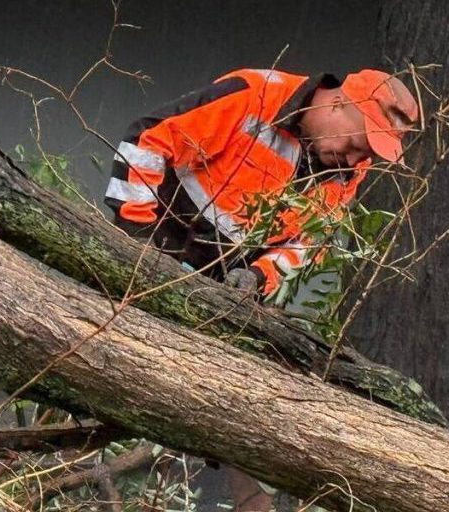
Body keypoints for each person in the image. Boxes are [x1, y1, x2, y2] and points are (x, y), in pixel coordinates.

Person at [105, 68, 418, 510]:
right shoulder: (254, 97)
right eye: (355, 144)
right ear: (336, 104)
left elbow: (308, 243)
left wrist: (258, 276)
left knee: (241, 401)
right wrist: (137, 242)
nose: (353, 159)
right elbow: (148, 139)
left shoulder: (348, 170)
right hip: (157, 252)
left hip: (225, 288)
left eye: (365, 154)